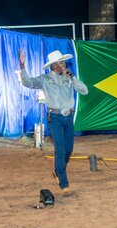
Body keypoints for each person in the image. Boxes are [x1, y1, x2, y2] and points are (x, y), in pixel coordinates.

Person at [19, 49, 88, 194]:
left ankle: (58, 171)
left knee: (68, 149)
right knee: (60, 149)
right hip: (54, 118)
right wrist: (22, 66)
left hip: (68, 117)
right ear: (54, 65)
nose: (63, 64)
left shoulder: (68, 77)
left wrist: (72, 76)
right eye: (60, 62)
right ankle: (64, 183)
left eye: (63, 62)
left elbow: (84, 91)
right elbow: (28, 83)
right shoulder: (45, 79)